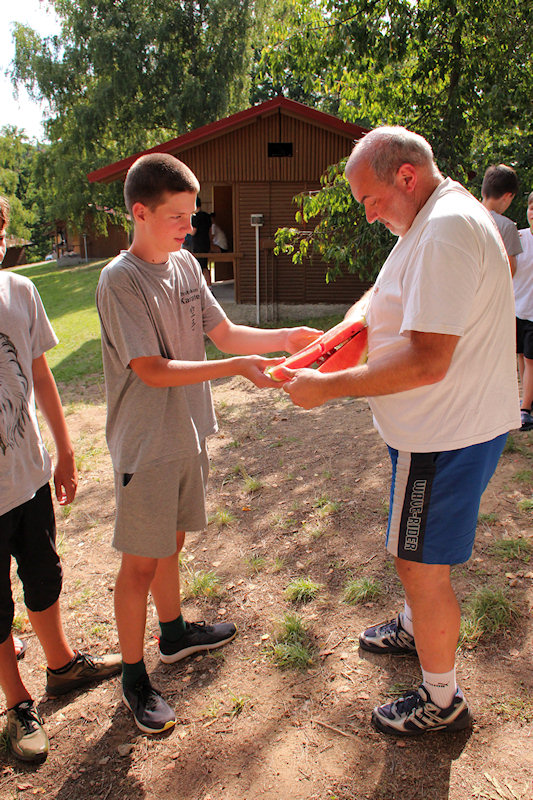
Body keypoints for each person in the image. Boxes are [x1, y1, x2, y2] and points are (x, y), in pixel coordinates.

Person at [281, 127, 520, 737]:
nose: (368, 214)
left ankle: (442, 699)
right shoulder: (428, 218)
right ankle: (416, 629)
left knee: (417, 562)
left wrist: (327, 387)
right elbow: (388, 292)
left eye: (371, 199)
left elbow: (427, 361)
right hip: (432, 430)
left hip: (442, 435)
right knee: (416, 554)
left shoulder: (444, 230)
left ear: (406, 177)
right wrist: (349, 328)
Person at [95, 153, 321, 736]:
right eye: (178, 215)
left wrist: (286, 336)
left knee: (170, 541)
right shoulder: (120, 280)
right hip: (146, 444)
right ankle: (133, 678)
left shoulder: (185, 265)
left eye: (192, 214)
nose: (190, 226)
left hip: (187, 431)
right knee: (139, 563)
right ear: (141, 213)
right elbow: (150, 369)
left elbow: (224, 334)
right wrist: (237, 369)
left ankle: (173, 635)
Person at [0, 196, 121, 764]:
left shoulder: (20, 292)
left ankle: (62, 665)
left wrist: (65, 450)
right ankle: (17, 702)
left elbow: (41, 373)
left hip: (27, 475)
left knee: (44, 574)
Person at [514, 191, 533, 431]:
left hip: (532, 315)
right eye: (531, 208)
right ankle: (527, 398)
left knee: (530, 360)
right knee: (520, 356)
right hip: (517, 309)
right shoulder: (518, 238)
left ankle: (525, 409)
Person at [481, 164, 522, 275]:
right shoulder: (506, 226)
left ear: (483, 191)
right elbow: (510, 270)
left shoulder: (466, 216)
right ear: (507, 197)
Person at [191, 196, 212, 284]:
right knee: (205, 266)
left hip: (198, 244)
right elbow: (210, 231)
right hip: (206, 243)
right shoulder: (207, 216)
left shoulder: (195, 217)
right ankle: (209, 286)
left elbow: (193, 232)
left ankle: (199, 286)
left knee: (198, 267)